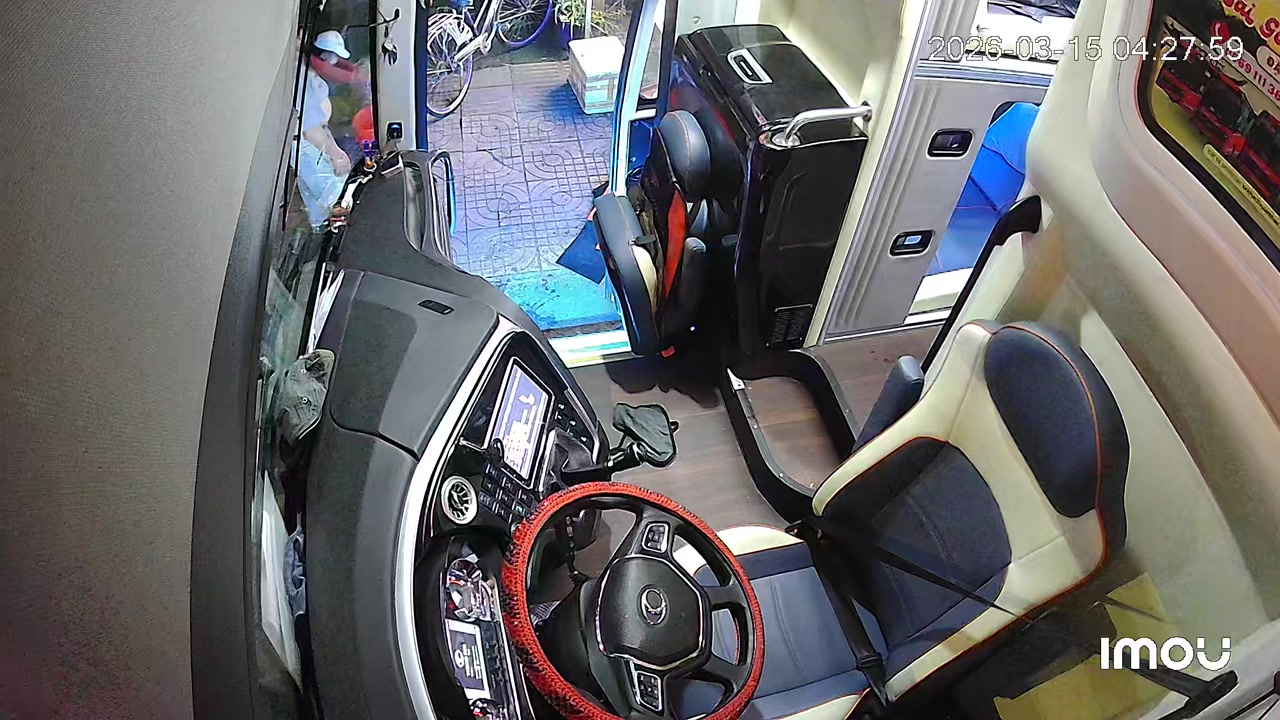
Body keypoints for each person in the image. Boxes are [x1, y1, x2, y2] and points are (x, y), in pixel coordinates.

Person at [296, 30, 354, 227]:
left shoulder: (315, 80)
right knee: (332, 194)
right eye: (332, 57)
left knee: (318, 207)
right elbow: (310, 129)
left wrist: (336, 151)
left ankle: (319, 229)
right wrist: (334, 154)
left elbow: (321, 127)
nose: (334, 62)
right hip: (304, 145)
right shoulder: (306, 82)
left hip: (312, 145)